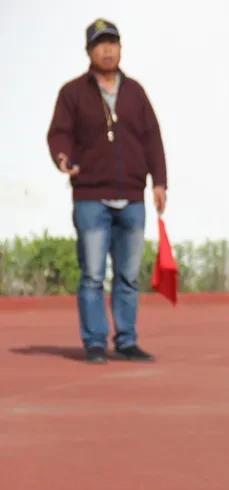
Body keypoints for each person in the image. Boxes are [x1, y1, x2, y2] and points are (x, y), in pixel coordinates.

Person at [47, 18, 166, 364]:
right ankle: (95, 342)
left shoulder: (135, 92)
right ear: (89, 51)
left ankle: (127, 340)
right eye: (100, 43)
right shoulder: (73, 93)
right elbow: (59, 133)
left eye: (113, 42)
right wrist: (62, 157)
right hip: (90, 197)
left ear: (120, 48)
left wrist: (159, 181)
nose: (108, 49)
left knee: (128, 276)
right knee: (93, 275)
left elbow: (152, 138)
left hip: (131, 196)